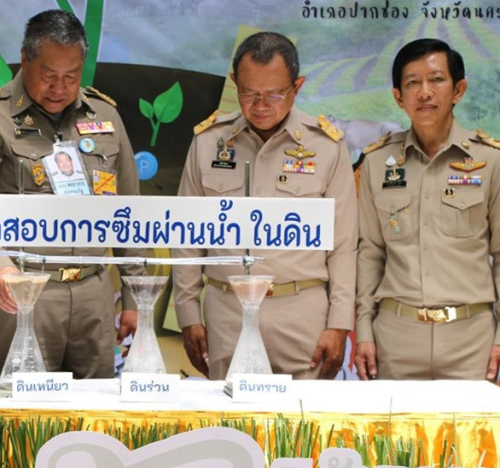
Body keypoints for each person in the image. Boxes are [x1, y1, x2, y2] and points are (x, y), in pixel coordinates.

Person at [0, 9, 142, 379]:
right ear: (25, 59)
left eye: (71, 76)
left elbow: (128, 213)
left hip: (93, 293)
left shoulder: (104, 116)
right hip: (21, 291)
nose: (60, 88)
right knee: (21, 408)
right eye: (49, 75)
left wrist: (135, 297)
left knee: (94, 409)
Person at [173, 32, 357, 380]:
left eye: (274, 94)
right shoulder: (209, 142)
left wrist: (339, 323)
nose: (260, 105)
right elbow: (187, 238)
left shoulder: (327, 147)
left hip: (302, 314)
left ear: (297, 87)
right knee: (227, 414)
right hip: (227, 313)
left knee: (302, 415)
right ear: (234, 83)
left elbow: (344, 245)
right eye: (249, 93)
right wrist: (187, 314)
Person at [355, 39, 500, 380]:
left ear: (458, 89)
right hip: (396, 339)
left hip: (472, 341)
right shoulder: (377, 162)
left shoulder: (491, 160)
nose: (424, 92)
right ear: (398, 97)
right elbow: (370, 253)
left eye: (436, 80)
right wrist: (363, 330)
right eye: (412, 83)